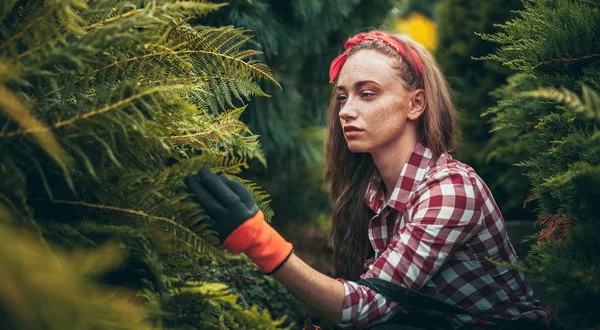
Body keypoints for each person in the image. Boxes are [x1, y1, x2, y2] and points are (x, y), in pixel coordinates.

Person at [184, 31, 550, 329]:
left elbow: (363, 307)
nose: (346, 110)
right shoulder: (371, 194)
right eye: (342, 97)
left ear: (415, 104)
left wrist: (259, 241)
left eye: (367, 94)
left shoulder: (449, 190)